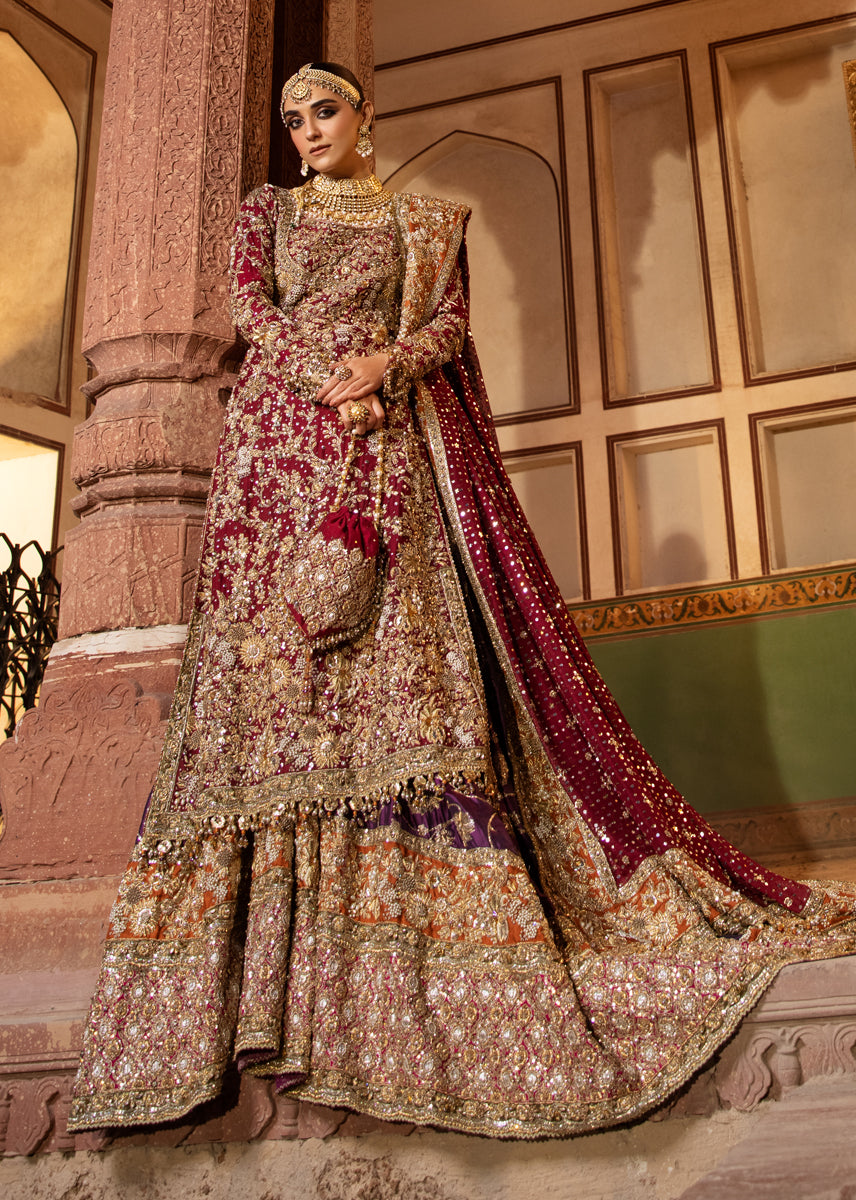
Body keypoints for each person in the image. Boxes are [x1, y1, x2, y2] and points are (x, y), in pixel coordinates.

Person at [68, 62, 856, 1140]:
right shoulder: (268, 214)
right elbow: (252, 308)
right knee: (273, 684)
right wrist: (329, 379)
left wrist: (385, 367)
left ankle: (404, 955)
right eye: (294, 119)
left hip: (386, 448)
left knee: (396, 669)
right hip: (278, 454)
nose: (308, 131)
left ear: (367, 115)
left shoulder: (426, 224)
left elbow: (449, 326)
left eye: (325, 111)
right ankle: (250, 987)